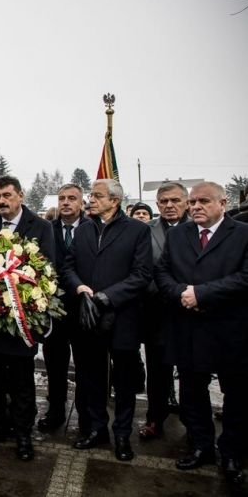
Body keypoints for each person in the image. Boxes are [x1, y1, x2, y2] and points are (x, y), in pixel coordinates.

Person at [155, 182, 248, 484]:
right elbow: (162, 272)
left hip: (229, 330)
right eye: (192, 202)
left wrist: (202, 294)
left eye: (203, 201)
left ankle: (232, 451)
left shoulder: (243, 233)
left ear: (223, 202)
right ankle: (201, 445)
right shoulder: (178, 235)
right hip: (187, 326)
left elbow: (245, 277)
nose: (195, 206)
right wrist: (182, 293)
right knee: (192, 392)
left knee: (236, 395)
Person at [61, 178, 152, 462]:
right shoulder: (85, 229)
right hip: (88, 316)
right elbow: (68, 265)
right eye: (91, 195)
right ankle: (96, 428)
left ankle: (122, 433)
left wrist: (107, 296)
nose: (91, 199)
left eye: (97, 196)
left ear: (115, 200)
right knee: (91, 375)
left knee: (123, 380)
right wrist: (80, 288)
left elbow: (141, 274)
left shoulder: (137, 230)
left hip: (122, 316)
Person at [0, 175, 55, 461]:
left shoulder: (41, 227)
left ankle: (22, 433)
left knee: (21, 381)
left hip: (22, 319)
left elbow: (47, 269)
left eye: (7, 195)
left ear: (20, 195)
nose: (2, 201)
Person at [138, 182, 189, 441]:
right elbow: (141, 268)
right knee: (158, 370)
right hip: (157, 311)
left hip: (194, 312)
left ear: (186, 202)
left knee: (193, 372)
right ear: (157, 205)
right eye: (164, 201)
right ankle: (155, 419)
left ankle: (193, 423)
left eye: (175, 201)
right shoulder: (145, 231)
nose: (169, 206)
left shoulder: (198, 229)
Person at [39, 184, 90, 432]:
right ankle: (56, 410)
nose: (66, 202)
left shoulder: (93, 229)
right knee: (55, 365)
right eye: (62, 198)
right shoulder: (47, 229)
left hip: (83, 308)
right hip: (54, 310)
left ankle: (84, 415)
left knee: (84, 365)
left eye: (72, 198)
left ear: (82, 202)